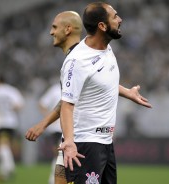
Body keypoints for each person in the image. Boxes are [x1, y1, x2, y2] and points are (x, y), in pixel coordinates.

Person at [58, 2, 152, 184]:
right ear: (102, 26)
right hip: (84, 145)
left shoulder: (106, 49)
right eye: (115, 16)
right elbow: (67, 105)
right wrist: (69, 142)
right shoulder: (77, 61)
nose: (120, 19)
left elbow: (98, 83)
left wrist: (127, 93)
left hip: (105, 142)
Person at [25, 11, 82, 184]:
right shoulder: (71, 59)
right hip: (67, 135)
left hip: (81, 137)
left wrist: (42, 124)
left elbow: (66, 102)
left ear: (68, 29)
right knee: (58, 177)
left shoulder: (79, 58)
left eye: (54, 27)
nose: (51, 32)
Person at [0, 76, 24, 182]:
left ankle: (10, 167)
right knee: (4, 147)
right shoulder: (12, 90)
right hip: (11, 122)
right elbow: (19, 106)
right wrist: (9, 109)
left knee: (1, 146)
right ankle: (4, 172)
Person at [39, 80, 62, 184]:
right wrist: (50, 118)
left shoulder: (55, 90)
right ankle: (53, 180)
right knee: (59, 154)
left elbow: (42, 104)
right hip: (58, 128)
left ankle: (53, 180)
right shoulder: (55, 90)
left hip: (66, 128)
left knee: (60, 154)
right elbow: (42, 104)